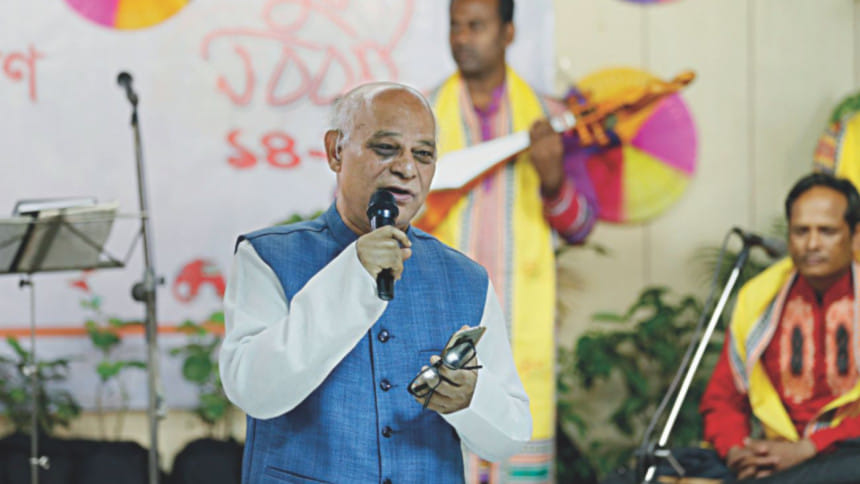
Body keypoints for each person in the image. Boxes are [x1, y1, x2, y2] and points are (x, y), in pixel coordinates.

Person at [219, 82, 532, 484]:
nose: (406, 168)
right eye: (386, 148)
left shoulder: (466, 279)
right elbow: (253, 390)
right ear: (335, 151)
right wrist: (353, 274)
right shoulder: (269, 257)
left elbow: (511, 434)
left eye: (423, 154)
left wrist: (469, 399)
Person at [418, 0, 599, 481]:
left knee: (516, 443)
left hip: (520, 325)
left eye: (476, 26)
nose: (462, 38)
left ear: (508, 32)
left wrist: (554, 178)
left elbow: (581, 226)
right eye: (455, 26)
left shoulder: (552, 118)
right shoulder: (422, 116)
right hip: (441, 316)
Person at [698, 172, 860, 483]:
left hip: (845, 456)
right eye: (801, 231)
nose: (812, 244)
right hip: (774, 461)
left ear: (855, 236)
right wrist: (738, 452)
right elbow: (723, 399)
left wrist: (809, 448)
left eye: (827, 231)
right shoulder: (759, 298)